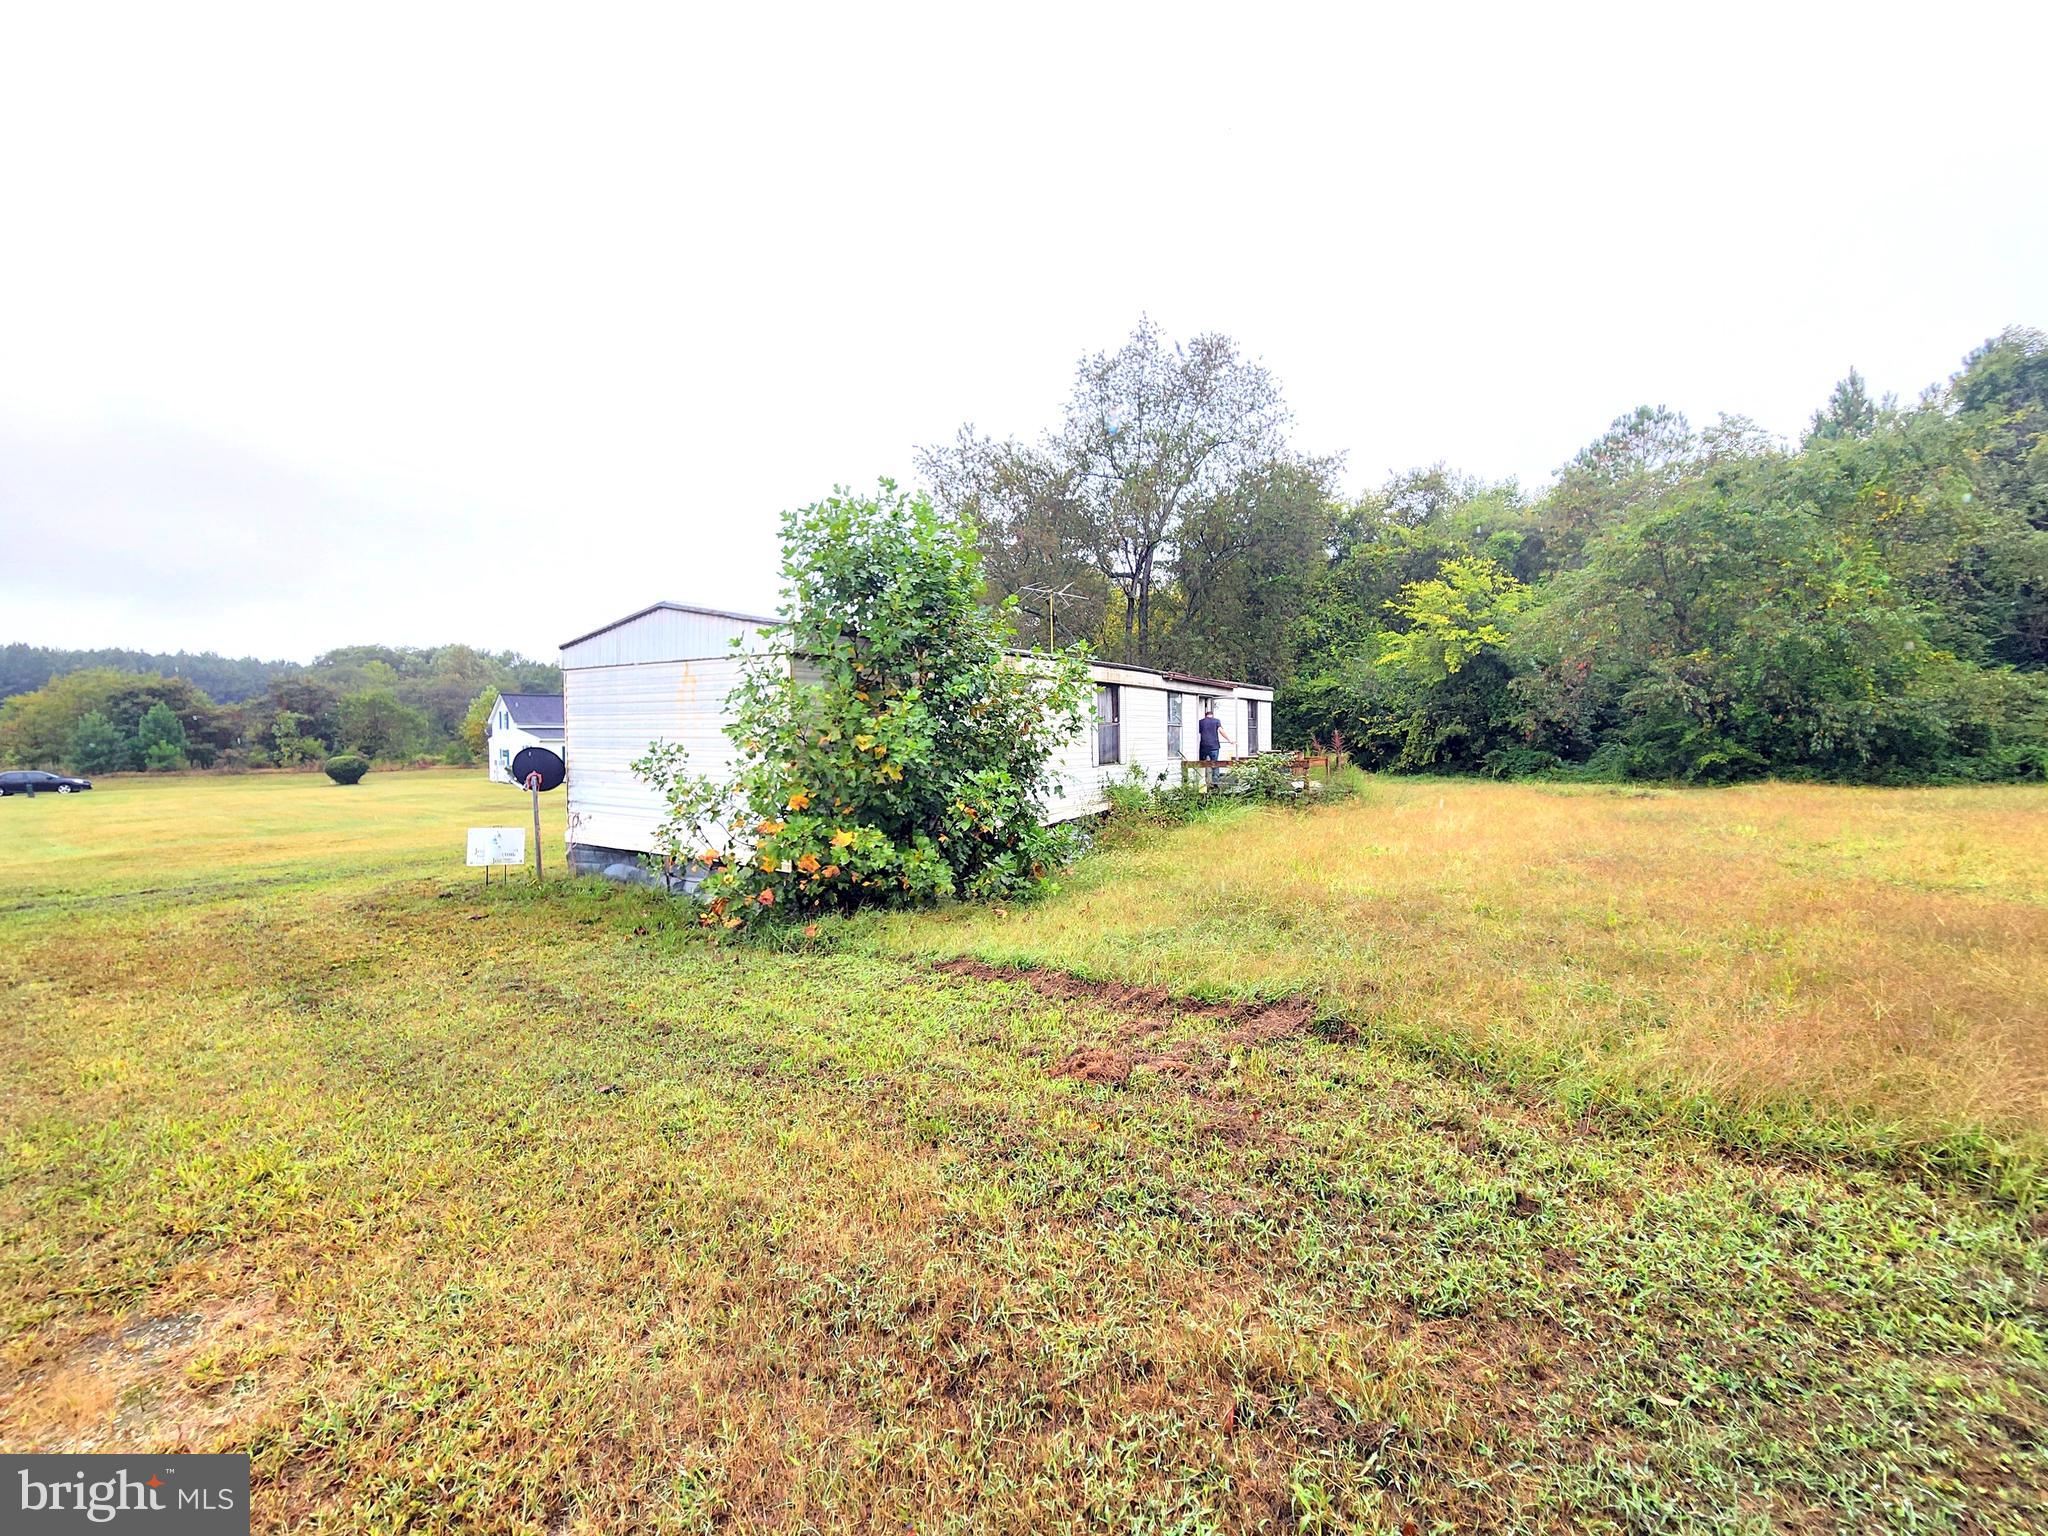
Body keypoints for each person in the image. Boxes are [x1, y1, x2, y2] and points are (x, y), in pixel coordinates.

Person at [1196, 705, 1232, 787]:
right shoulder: (1216, 721)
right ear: (1212, 715)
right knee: (1215, 764)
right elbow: (1221, 731)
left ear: (1205, 715)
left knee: (1201, 764)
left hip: (1203, 746)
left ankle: (1201, 783)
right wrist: (1229, 740)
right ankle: (1215, 783)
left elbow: (1198, 732)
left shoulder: (1200, 722)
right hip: (1214, 746)